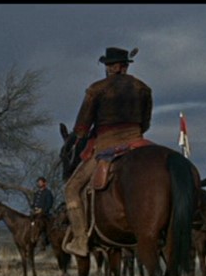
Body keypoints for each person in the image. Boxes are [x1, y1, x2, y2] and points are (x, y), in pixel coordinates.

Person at [63, 47, 152, 256]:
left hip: (106, 145)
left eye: (108, 66)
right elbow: (145, 124)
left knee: (71, 189)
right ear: (126, 66)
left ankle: (80, 239)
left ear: (111, 67)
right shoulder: (143, 88)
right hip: (138, 141)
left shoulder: (96, 89)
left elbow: (81, 129)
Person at [32, 176, 54, 249]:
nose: (39, 183)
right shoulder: (37, 193)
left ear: (44, 183)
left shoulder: (48, 193)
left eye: (40, 182)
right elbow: (34, 203)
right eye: (38, 182)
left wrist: (42, 210)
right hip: (35, 213)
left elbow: (49, 203)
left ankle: (43, 240)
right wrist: (34, 208)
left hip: (44, 214)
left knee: (41, 224)